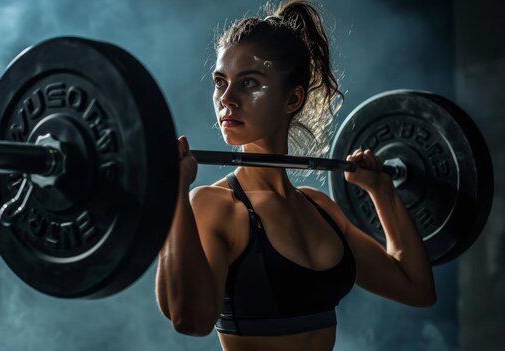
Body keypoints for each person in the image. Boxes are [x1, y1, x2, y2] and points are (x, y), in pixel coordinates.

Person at [155, 1, 436, 350]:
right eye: (220, 82)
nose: (226, 98)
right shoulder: (215, 206)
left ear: (293, 99)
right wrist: (173, 194)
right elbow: (190, 320)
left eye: (249, 83)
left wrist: (382, 191)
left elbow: (416, 288)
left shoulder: (320, 208)